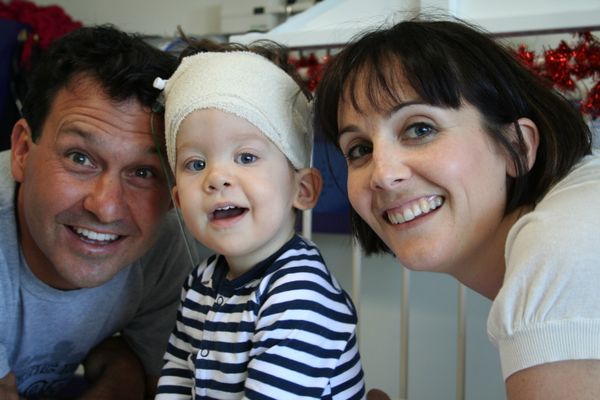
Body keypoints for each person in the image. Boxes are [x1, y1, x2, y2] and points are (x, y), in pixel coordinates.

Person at [313, 15, 600, 400]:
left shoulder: (565, 243)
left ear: (516, 145)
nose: (382, 174)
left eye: (420, 129)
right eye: (360, 150)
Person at [0, 25, 210, 399]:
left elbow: (166, 385)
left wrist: (121, 369)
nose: (106, 207)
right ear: (22, 152)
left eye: (144, 173)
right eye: (80, 158)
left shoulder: (166, 249)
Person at [152, 38, 366, 399]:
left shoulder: (300, 295)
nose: (216, 177)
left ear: (302, 189)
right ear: (177, 200)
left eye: (246, 157)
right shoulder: (201, 281)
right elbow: (176, 372)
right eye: (196, 164)